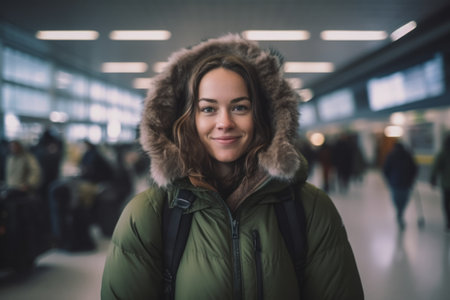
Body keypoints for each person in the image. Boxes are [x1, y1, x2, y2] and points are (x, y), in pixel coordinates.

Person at [101, 34, 364, 299]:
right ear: (188, 119)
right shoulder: (149, 214)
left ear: (263, 116)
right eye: (208, 109)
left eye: (239, 107)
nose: (224, 122)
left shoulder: (309, 208)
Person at [382, 141, 418, 230]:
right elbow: (414, 168)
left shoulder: (391, 155)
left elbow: (386, 169)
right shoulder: (408, 155)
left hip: (395, 182)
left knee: (396, 199)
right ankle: (401, 212)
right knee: (404, 199)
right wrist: (412, 178)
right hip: (406, 182)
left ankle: (399, 212)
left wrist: (388, 179)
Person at [430, 134, 450, 232]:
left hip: (446, 184)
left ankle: (448, 223)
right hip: (446, 183)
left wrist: (433, 179)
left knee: (446, 203)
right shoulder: (443, 154)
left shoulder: (443, 153)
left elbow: (436, 168)